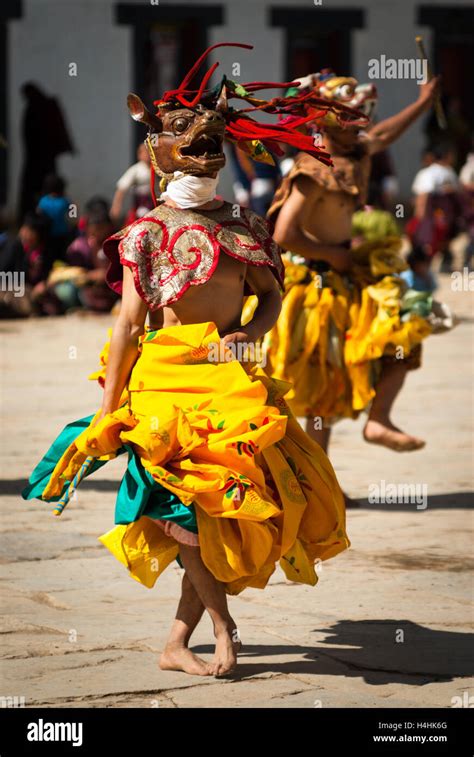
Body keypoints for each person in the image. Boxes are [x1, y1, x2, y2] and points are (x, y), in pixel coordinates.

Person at [22, 44, 356, 677]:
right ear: (158, 150)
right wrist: (107, 407)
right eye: (187, 141)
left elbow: (270, 301)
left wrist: (246, 337)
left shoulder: (246, 226)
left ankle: (178, 642)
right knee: (183, 516)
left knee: (220, 511)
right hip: (163, 390)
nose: (203, 152)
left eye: (211, 143)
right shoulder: (146, 233)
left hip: (229, 385)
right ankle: (222, 629)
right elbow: (127, 324)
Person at [264, 69, 440, 477]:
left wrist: (422, 103)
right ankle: (313, 483)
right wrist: (331, 254)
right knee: (322, 389)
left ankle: (379, 419)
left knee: (408, 323)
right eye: (348, 115)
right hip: (313, 282)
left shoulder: (355, 152)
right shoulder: (312, 168)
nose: (362, 124)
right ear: (324, 120)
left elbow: (383, 136)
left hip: (348, 273)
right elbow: (285, 232)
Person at [18, 82, 75, 220]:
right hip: (37, 159)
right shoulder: (39, 108)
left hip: (42, 160)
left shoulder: (43, 108)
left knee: (45, 188)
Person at [410, 142, 462, 271]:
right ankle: (422, 265)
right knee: (430, 240)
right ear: (447, 156)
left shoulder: (444, 172)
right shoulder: (435, 172)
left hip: (441, 215)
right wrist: (421, 214)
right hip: (436, 215)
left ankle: (439, 263)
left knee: (437, 239)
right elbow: (424, 195)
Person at [110, 143, 153, 224]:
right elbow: (121, 188)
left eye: (150, 151)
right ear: (139, 154)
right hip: (141, 207)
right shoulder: (136, 169)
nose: (148, 154)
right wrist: (116, 206)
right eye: (146, 152)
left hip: (155, 205)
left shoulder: (157, 168)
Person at [37, 174, 74, 264]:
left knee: (48, 258)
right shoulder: (65, 201)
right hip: (62, 235)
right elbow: (73, 216)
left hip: (47, 235)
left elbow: (38, 214)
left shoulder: (43, 201)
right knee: (62, 258)